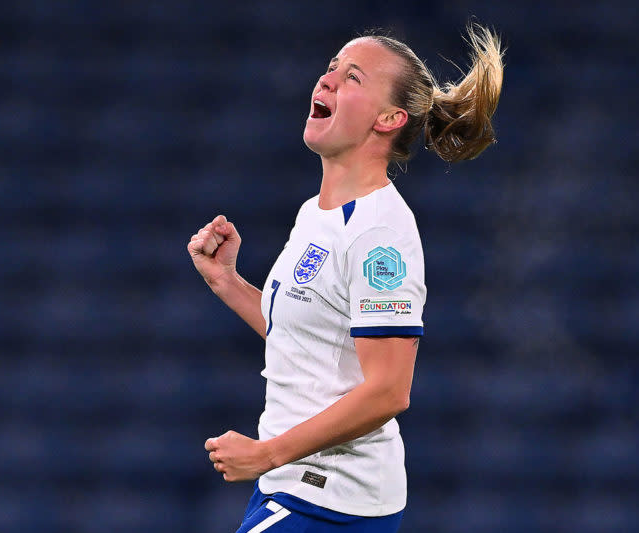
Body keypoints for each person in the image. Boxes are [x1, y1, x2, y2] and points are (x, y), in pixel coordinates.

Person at [188, 23, 504, 533]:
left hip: (329, 499)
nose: (328, 80)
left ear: (389, 118)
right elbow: (315, 344)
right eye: (331, 67)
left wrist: (268, 453)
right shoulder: (316, 212)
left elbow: (388, 390)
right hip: (294, 488)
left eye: (352, 76)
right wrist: (228, 282)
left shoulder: (381, 235)